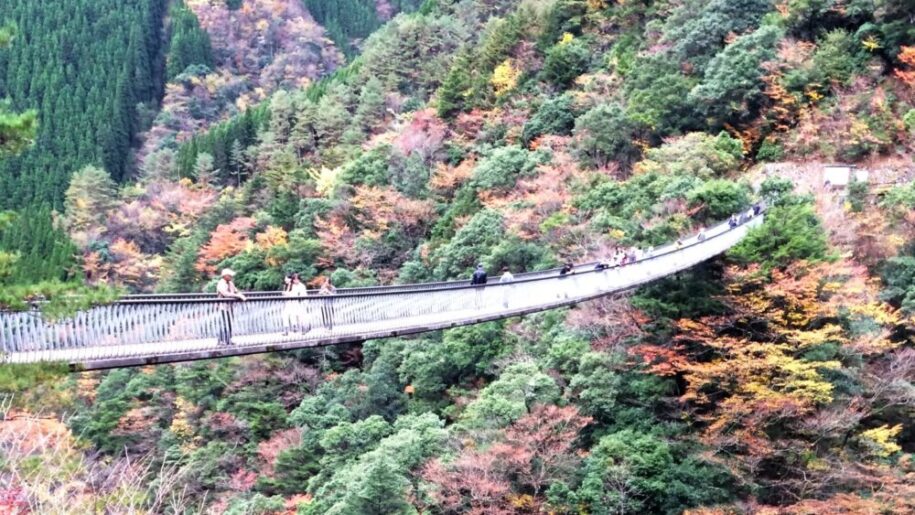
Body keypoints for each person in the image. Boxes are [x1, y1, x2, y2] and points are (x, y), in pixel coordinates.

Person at [216, 268, 246, 345]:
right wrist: (237, 296)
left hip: (230, 307)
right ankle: (221, 340)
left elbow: (236, 290)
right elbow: (225, 294)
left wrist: (240, 294)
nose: (231, 277)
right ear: (225, 276)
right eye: (229, 276)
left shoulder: (231, 283)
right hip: (223, 307)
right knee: (224, 324)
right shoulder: (221, 283)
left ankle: (228, 339)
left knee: (229, 324)